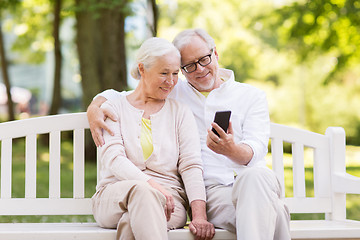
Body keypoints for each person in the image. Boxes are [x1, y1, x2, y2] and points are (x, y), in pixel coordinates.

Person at [88, 29, 291, 240]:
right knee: (275, 212)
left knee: (257, 179)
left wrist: (232, 150)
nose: (200, 69)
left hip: (254, 184)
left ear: (216, 53)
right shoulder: (173, 91)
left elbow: (255, 149)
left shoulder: (251, 96)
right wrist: (95, 106)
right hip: (214, 194)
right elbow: (126, 95)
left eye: (204, 59)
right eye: (189, 66)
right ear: (183, 69)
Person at [91, 37, 215, 240]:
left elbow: (191, 165)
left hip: (169, 204)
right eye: (164, 73)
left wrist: (199, 216)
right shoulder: (114, 107)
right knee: (143, 192)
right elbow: (114, 159)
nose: (171, 81)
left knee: (133, 222)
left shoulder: (180, 112)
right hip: (114, 198)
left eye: (175, 73)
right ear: (142, 69)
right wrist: (152, 186)